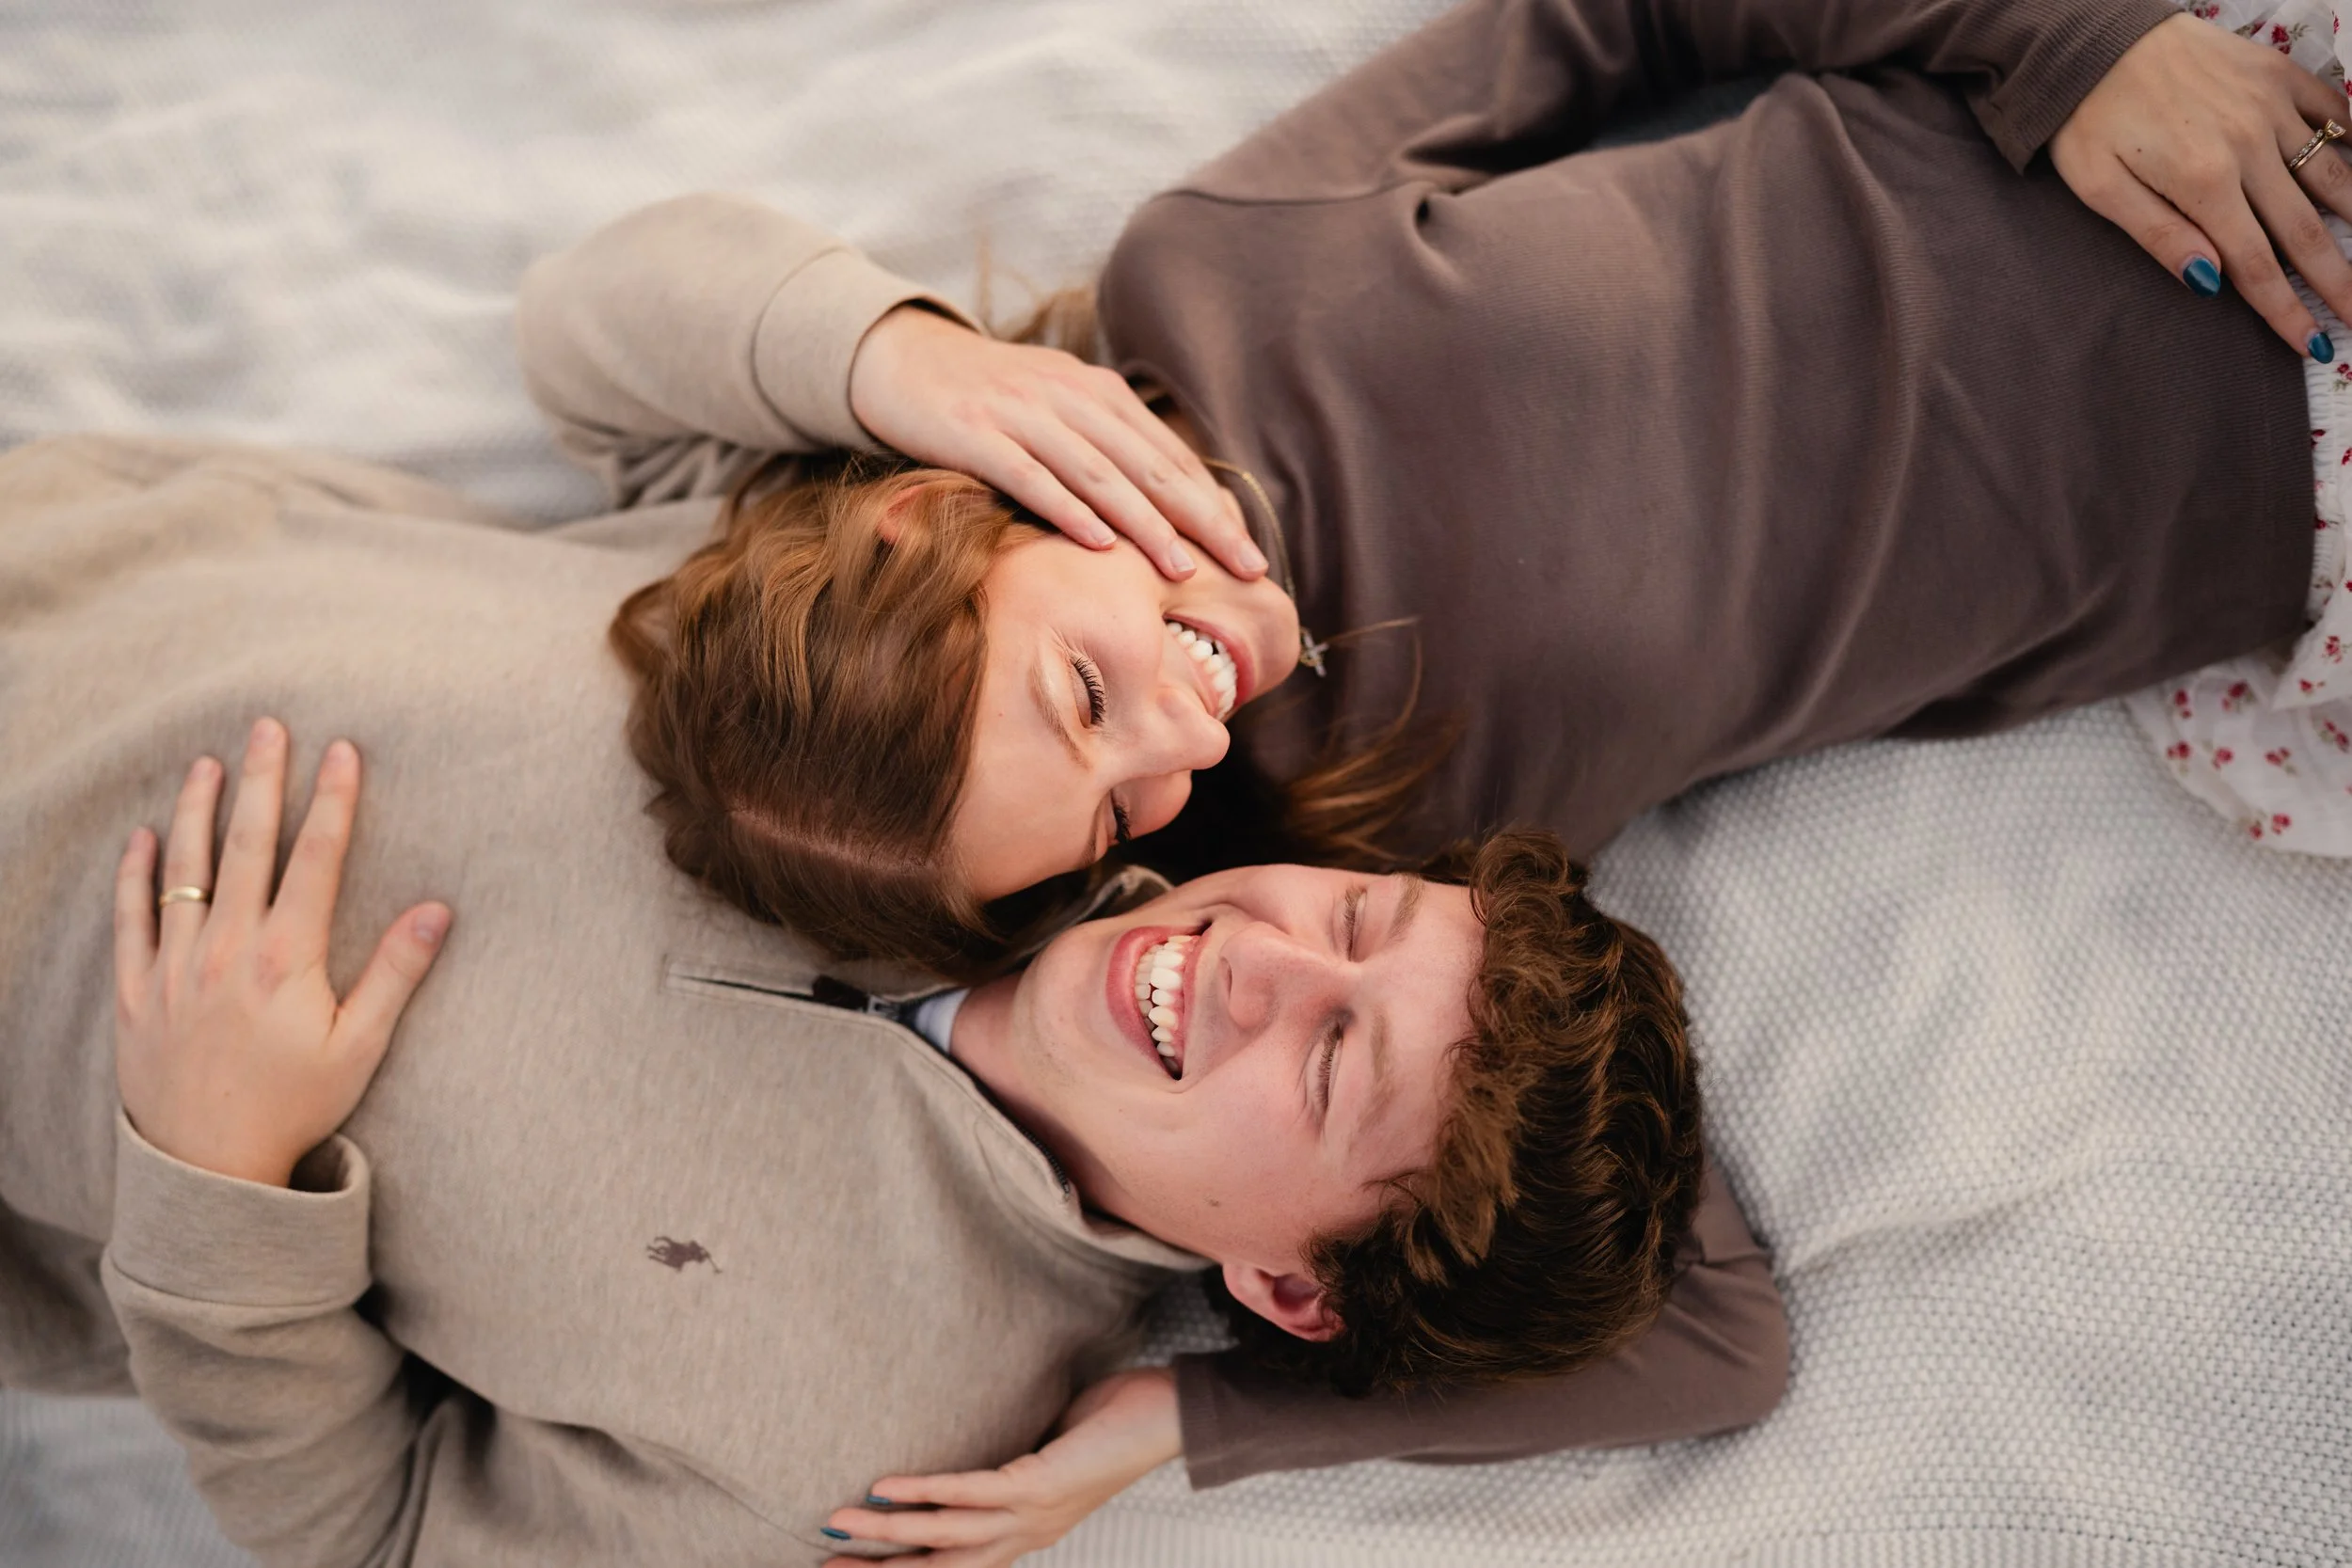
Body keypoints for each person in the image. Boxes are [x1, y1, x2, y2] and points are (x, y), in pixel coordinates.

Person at [0, 434, 1782, 1568]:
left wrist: (218, 1182)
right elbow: (642, 386)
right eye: (1362, 918)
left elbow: (378, 1536)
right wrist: (908, 352)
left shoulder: (867, 1441)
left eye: (1332, 1060)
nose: (1265, 954)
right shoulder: (1071, 714)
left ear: (1288, 1285)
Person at [531, 0, 2352, 982]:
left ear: (929, 517)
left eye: (1078, 690)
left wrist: (2069, 46)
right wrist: (1194, 1410)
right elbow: (1640, 1289)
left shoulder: (1219, 278)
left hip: (2185, 128)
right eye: (1108, 817)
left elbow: (1622, 13)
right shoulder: (1356, 845)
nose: (1176, 730)